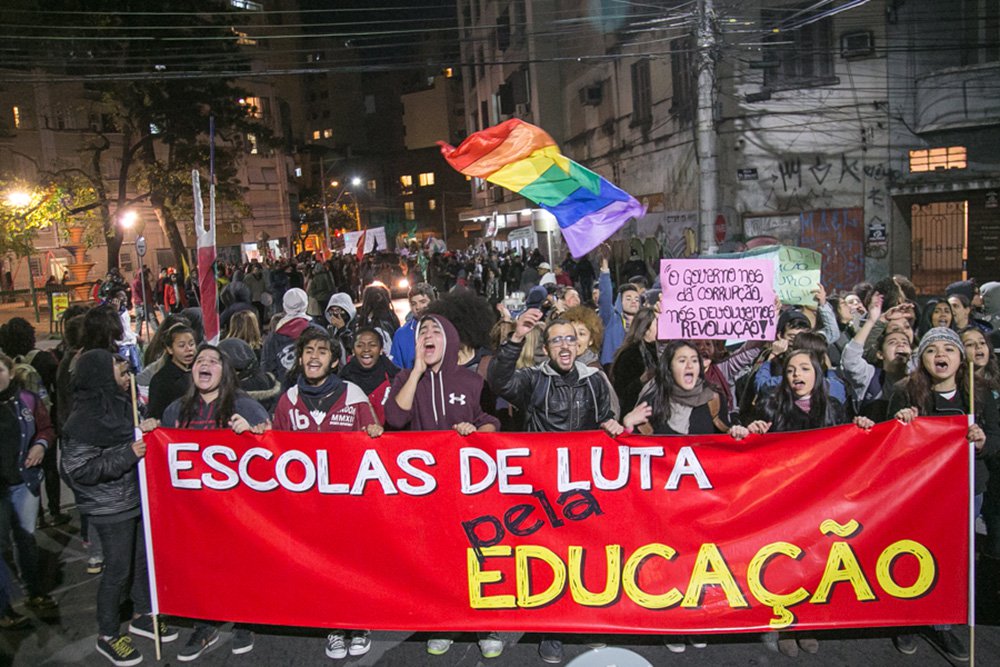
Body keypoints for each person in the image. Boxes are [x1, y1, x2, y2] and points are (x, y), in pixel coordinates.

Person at [489, 309, 623, 663]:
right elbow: (499, 382)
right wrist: (515, 338)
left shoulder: (594, 380)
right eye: (556, 340)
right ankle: (552, 630)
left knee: (586, 555)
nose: (565, 345)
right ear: (546, 348)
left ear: (580, 345)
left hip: (584, 483)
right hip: (544, 483)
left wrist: (610, 424)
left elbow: (603, 420)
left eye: (570, 338)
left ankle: (587, 622)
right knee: (550, 558)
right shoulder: (533, 379)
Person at [383, 314, 502, 660]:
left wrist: (478, 432)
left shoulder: (471, 380)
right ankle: (443, 620)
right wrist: (417, 370)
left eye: (436, 331)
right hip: (428, 490)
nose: (429, 336)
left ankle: (486, 622)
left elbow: (492, 422)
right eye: (423, 332)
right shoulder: (406, 378)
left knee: (478, 552)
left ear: (450, 339)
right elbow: (395, 418)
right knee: (439, 555)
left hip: (469, 486)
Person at [61, 350, 179, 666]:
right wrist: (128, 454)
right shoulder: (83, 419)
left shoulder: (121, 404)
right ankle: (109, 633)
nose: (124, 371)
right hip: (109, 506)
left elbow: (136, 431)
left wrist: (148, 425)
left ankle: (142, 614)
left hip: (134, 497)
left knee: (141, 560)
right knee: (117, 569)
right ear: (98, 374)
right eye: (116, 366)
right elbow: (78, 468)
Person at [270, 329, 381, 661]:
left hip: (350, 503)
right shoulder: (287, 400)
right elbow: (274, 451)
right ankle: (334, 623)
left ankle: (359, 622)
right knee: (324, 567)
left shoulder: (355, 395)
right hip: (310, 507)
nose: (314, 357)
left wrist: (376, 434)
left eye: (322, 351)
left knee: (354, 564)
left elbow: (377, 450)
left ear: (334, 361)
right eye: (308, 351)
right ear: (300, 357)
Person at [162, 345, 270, 661]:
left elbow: (271, 450)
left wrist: (253, 433)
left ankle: (246, 620)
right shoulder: (176, 410)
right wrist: (151, 433)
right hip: (195, 509)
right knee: (202, 566)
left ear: (225, 372)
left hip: (237, 508)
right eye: (200, 361)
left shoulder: (245, 406)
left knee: (240, 564)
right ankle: (205, 623)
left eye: (213, 361)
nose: (205, 364)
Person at [0, 353, 57, 621]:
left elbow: (46, 428)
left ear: (11, 372)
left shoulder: (27, 400)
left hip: (23, 483)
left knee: (25, 539)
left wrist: (40, 444)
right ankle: (4, 609)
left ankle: (34, 590)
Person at [624, 340, 749, 439]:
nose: (689, 365)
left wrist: (737, 432)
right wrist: (628, 426)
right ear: (669, 367)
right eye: (682, 361)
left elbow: (725, 438)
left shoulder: (713, 399)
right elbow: (634, 452)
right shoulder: (652, 402)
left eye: (694, 360)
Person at [261, 288, 323, 387]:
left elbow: (267, 369)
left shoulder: (272, 338)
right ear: (305, 304)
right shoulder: (319, 332)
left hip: (284, 393)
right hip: (315, 391)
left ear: (285, 306)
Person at [339, 327, 400, 424]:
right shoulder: (342, 382)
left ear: (381, 350)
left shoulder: (397, 378)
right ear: (353, 351)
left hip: (390, 437)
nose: (366, 349)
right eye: (360, 345)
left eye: (372, 345)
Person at [597, 246, 642, 366]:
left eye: (637, 299)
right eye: (628, 298)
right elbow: (605, 297)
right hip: (612, 368)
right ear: (619, 302)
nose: (634, 301)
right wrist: (605, 265)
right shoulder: (611, 318)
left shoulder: (643, 323)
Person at [609, 307, 658, 413]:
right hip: (633, 413)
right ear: (646, 327)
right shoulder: (630, 354)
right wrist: (641, 380)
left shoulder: (659, 351)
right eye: (657, 324)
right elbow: (621, 392)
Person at [146, 323, 196, 420]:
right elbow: (155, 415)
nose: (188, 349)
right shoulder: (161, 380)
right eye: (182, 345)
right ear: (169, 349)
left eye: (191, 344)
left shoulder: (200, 373)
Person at [390, 283, 435, 369]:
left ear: (433, 302)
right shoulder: (401, 335)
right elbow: (396, 369)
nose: (418, 307)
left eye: (423, 302)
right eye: (414, 303)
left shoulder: (445, 328)